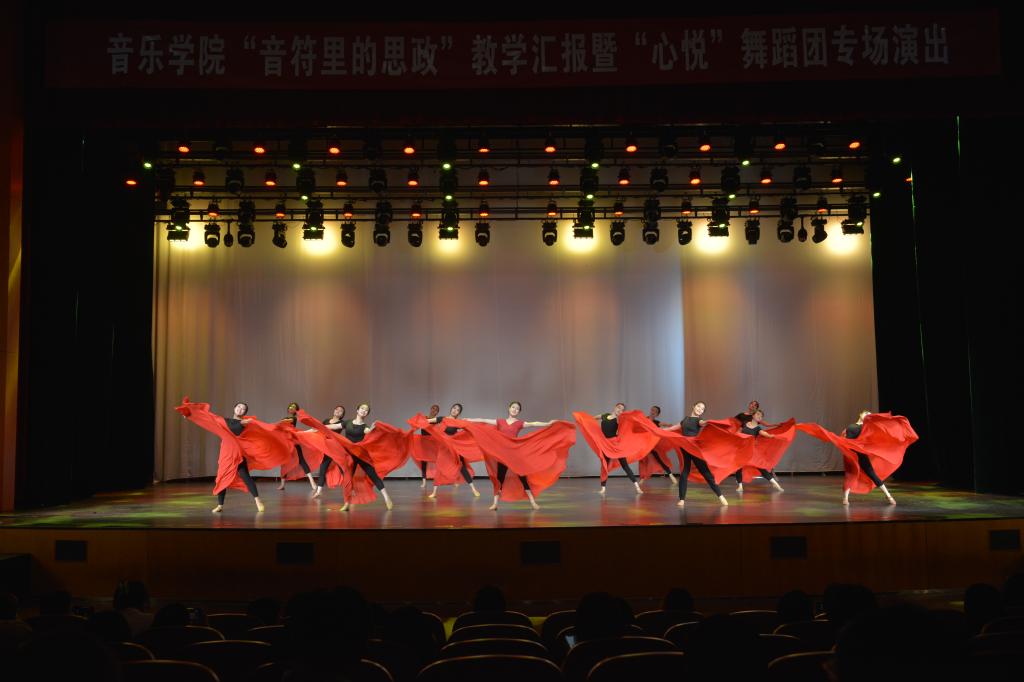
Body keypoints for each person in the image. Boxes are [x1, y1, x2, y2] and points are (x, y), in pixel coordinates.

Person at [177, 398, 292, 513]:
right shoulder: (224, 421)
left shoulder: (243, 423)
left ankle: (258, 501)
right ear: (234, 408)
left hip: (237, 453)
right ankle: (220, 505)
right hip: (226, 453)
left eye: (243, 409)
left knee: (246, 477)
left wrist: (277, 425)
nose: (240, 409)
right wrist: (191, 415)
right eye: (239, 407)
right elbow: (209, 419)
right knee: (221, 478)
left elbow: (256, 426)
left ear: (244, 412)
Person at [459, 401, 571, 511]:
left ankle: (533, 502)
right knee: (499, 479)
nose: (515, 409)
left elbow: (533, 423)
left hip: (514, 455)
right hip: (503, 456)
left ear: (518, 412)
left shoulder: (519, 423)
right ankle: (495, 504)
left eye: (517, 409)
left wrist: (548, 423)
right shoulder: (500, 421)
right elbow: (483, 420)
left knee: (523, 478)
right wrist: (469, 420)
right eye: (513, 407)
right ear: (509, 408)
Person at [797, 411, 916, 505]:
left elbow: (866, 439)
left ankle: (888, 496)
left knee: (871, 474)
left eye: (869, 415)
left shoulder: (866, 428)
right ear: (861, 415)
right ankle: (845, 499)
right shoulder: (852, 427)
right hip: (851, 454)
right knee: (851, 475)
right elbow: (848, 440)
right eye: (867, 414)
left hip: (859, 454)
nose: (868, 415)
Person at [660, 401, 728, 507]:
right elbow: (672, 428)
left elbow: (703, 423)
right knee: (684, 473)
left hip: (694, 448)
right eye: (699, 406)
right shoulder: (685, 419)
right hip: (685, 448)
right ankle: (682, 499)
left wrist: (708, 422)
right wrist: (659, 430)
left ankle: (720, 496)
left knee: (705, 473)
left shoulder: (698, 420)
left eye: (702, 409)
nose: (700, 409)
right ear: (693, 406)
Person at [425, 403, 481, 499]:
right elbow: (428, 421)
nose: (455, 410)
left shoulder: (458, 422)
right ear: (451, 408)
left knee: (462, 467)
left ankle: (473, 489)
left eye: (457, 410)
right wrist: (418, 421)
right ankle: (434, 492)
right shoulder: (442, 419)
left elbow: (469, 426)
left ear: (459, 413)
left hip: (454, 448)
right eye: (454, 408)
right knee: (440, 467)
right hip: (444, 448)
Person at [734, 409, 786, 493]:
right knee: (739, 467)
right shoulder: (744, 424)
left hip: (751, 451)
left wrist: (773, 436)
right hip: (742, 449)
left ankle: (776, 484)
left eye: (761, 416)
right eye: (758, 414)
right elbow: (737, 433)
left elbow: (766, 435)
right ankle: (740, 486)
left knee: (760, 467)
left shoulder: (758, 428)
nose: (759, 416)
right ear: (753, 415)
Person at [277, 401, 318, 491]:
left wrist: (279, 423)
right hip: (286, 442)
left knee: (301, 461)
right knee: (284, 463)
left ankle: (312, 482)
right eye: (290, 406)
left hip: (294, 441)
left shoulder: (293, 418)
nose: (291, 407)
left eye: (294, 407)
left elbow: (287, 422)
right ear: (288, 408)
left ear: (296, 410)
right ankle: (282, 484)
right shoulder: (286, 418)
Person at [638, 405, 679, 485]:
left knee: (659, 459)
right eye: (652, 410)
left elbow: (666, 425)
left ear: (657, 414)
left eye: (655, 411)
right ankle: (642, 478)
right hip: (644, 445)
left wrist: (670, 425)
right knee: (643, 461)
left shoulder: (657, 422)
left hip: (652, 445)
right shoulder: (644, 420)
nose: (653, 412)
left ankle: (670, 475)